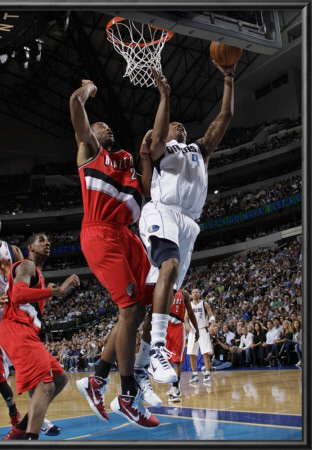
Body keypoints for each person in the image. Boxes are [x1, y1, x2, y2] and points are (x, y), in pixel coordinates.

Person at [138, 60, 236, 384]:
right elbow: (146, 174)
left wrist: (229, 79)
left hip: (190, 223)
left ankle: (139, 368)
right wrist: (164, 97)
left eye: (181, 124)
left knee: (163, 293)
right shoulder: (160, 149)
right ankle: (157, 350)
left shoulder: (199, 149)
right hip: (162, 210)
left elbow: (225, 118)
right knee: (168, 267)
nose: (178, 125)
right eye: (172, 123)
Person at [69, 79, 159, 428]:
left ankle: (96, 379)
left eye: (107, 125)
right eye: (99, 124)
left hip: (128, 236)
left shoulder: (127, 163)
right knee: (130, 309)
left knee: (139, 311)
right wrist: (88, 90)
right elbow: (75, 107)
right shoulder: (90, 151)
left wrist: (146, 155)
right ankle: (127, 393)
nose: (105, 126)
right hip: (101, 231)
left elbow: (149, 190)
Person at [0, 233, 80, 440]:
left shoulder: (38, 275)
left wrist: (45, 290)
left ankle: (21, 429)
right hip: (16, 329)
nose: (47, 243)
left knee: (60, 379)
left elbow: (26, 298)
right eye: (41, 240)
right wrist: (58, 291)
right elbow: (17, 295)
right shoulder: (26, 265)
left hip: (25, 331)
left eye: (48, 241)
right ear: (30, 247)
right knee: (46, 385)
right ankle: (29, 438)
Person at [0, 212, 60, 437]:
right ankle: (19, 417)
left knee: (35, 370)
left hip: (11, 314)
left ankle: (32, 419)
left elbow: (17, 279)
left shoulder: (13, 250)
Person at [0, 211, 24, 428]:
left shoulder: (12, 250)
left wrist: (10, 271)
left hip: (9, 315)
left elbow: (27, 280)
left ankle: (26, 413)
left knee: (22, 367)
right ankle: (14, 411)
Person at [165, 289, 199, 401]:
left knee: (177, 360)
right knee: (164, 359)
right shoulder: (163, 288)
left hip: (178, 327)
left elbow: (190, 312)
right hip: (164, 327)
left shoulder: (183, 293)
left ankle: (175, 388)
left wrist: (197, 329)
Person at [185, 288, 215, 383]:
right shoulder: (188, 305)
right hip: (193, 332)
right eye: (193, 292)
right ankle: (194, 374)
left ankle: (207, 373)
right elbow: (185, 318)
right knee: (192, 354)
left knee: (205, 353)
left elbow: (212, 316)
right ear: (191, 295)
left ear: (199, 294)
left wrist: (211, 326)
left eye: (196, 292)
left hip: (202, 329)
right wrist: (186, 325)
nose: (194, 293)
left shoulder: (204, 304)